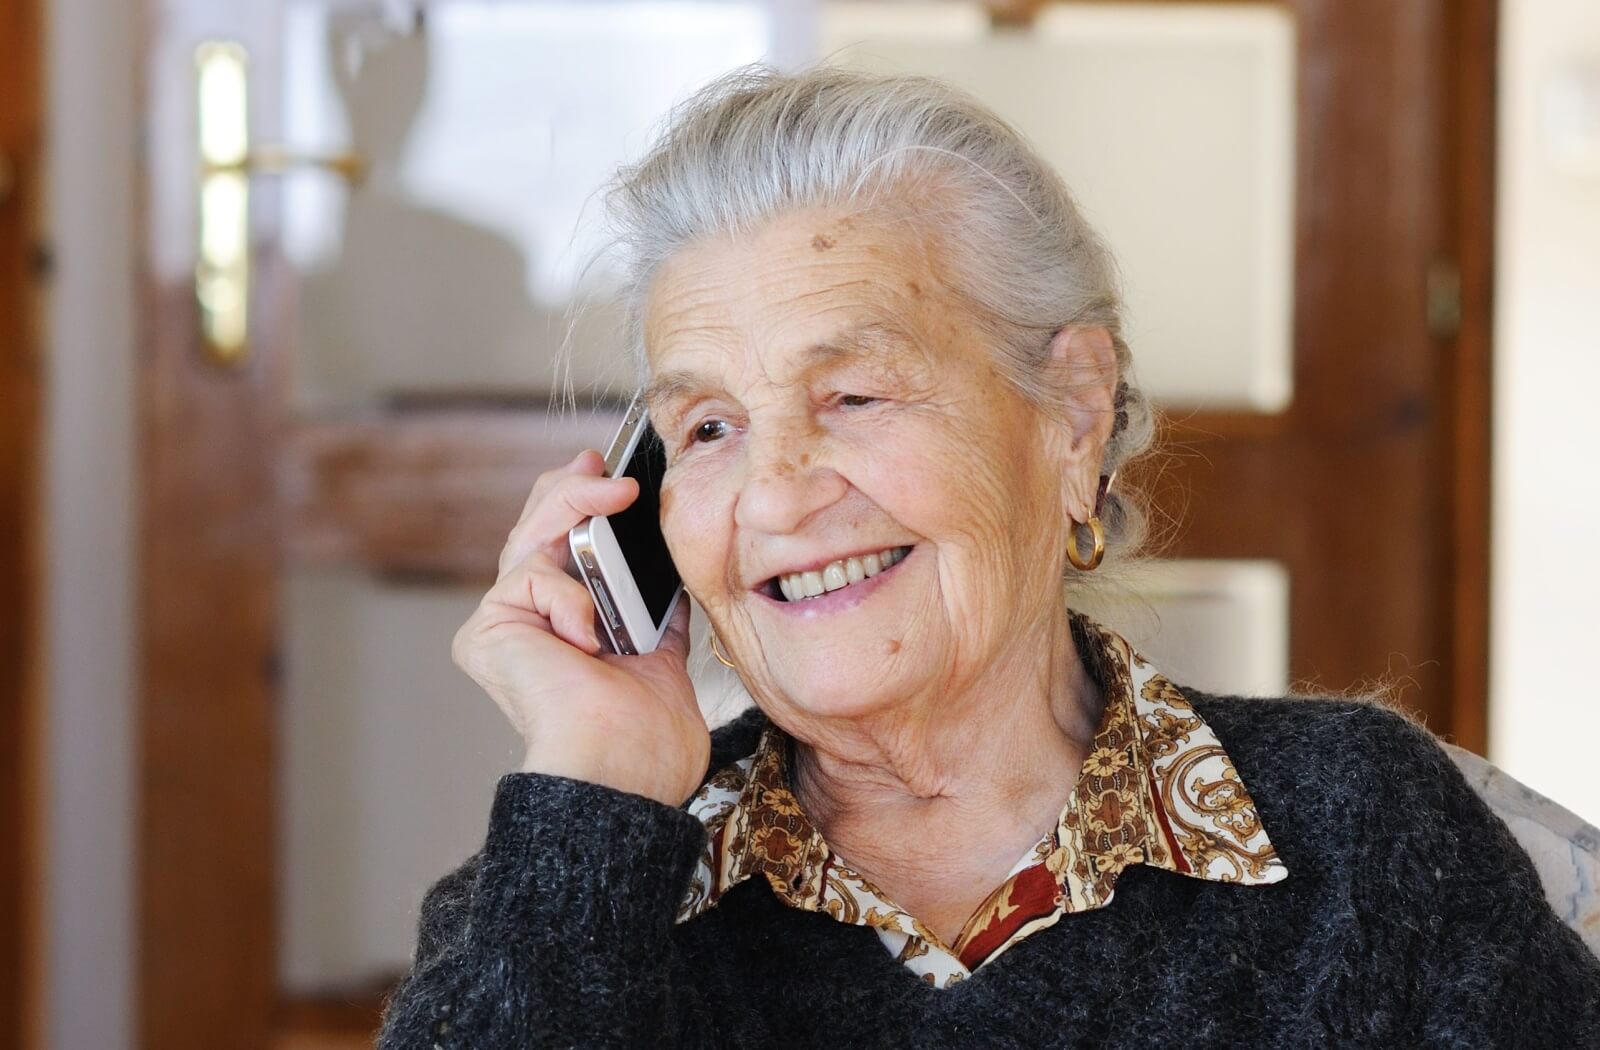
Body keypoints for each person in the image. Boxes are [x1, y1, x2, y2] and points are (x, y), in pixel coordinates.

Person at [376, 67, 1600, 1048]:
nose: (777, 495)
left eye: (853, 393)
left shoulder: (1358, 836)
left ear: (1070, 413)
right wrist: (593, 782)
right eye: (708, 428)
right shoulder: (562, 896)